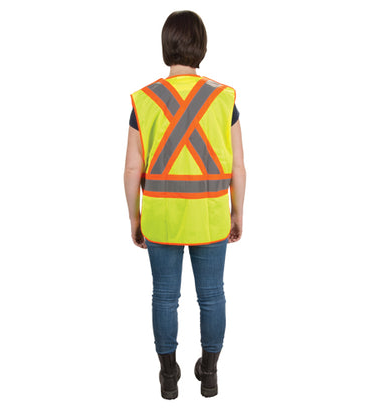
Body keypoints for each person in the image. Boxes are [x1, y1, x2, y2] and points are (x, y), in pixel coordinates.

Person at [124, 10, 246, 399]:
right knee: (211, 295)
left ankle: (168, 376)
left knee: (164, 296)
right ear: (202, 47)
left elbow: (132, 168)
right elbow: (238, 166)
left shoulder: (145, 101)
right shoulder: (223, 98)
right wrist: (237, 212)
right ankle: (209, 374)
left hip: (161, 216)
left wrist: (134, 217)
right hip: (210, 215)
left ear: (166, 46)